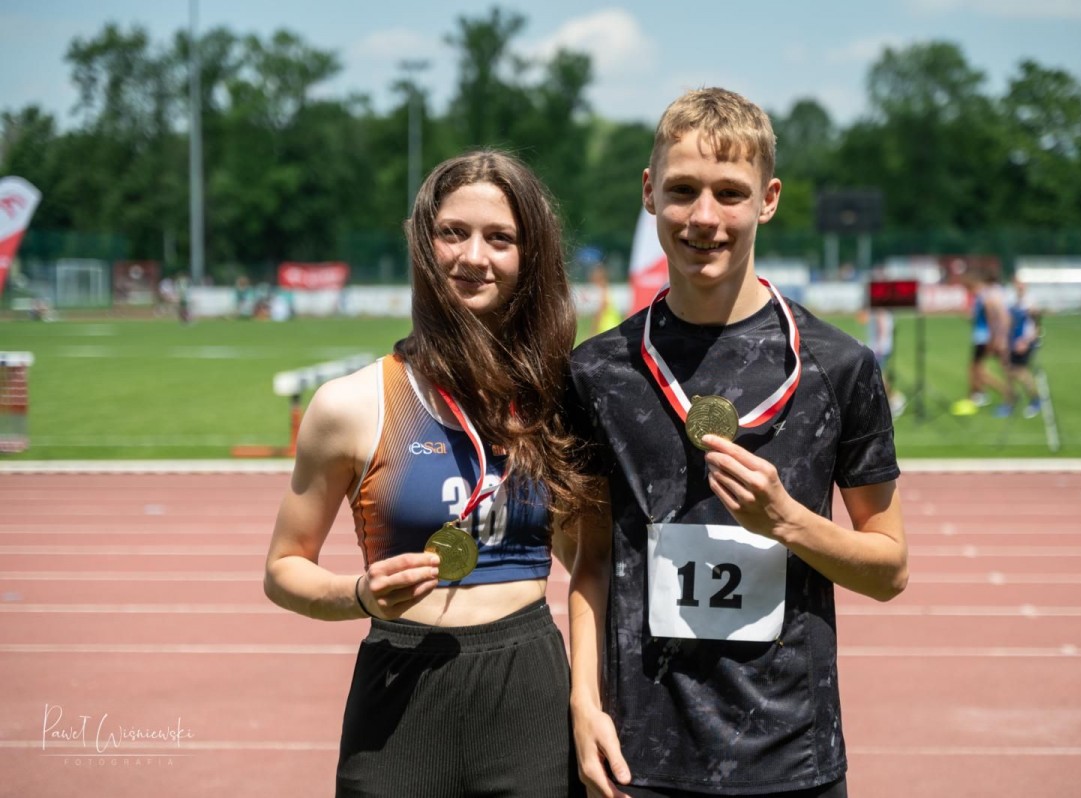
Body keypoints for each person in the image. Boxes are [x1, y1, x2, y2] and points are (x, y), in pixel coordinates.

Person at [565, 88, 908, 798]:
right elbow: (589, 563)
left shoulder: (839, 367)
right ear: (649, 192)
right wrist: (583, 701)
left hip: (792, 761)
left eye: (731, 193)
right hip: (637, 757)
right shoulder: (597, 372)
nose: (705, 218)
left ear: (769, 200)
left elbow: (889, 568)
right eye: (684, 190)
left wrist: (787, 521)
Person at [264, 150, 586, 797]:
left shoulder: (562, 400)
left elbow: (592, 565)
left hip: (528, 693)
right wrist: (357, 595)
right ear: (423, 243)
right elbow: (282, 569)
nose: (475, 256)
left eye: (501, 238)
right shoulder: (350, 404)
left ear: (531, 256)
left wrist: (593, 699)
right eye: (453, 233)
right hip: (400, 694)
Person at [952, 271, 1010, 416]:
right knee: (975, 370)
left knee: (979, 371)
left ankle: (1006, 393)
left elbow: (993, 318)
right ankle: (979, 394)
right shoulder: (981, 297)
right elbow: (979, 319)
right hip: (981, 337)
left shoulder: (985, 297)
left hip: (984, 338)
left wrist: (996, 338)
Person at [996, 279, 1042, 419]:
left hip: (1024, 342)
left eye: (1021, 284)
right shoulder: (1011, 301)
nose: (1019, 287)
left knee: (1020, 372)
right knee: (1008, 372)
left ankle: (1035, 399)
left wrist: (1026, 341)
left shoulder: (1030, 302)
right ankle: (1009, 402)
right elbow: (1008, 322)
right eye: (1016, 284)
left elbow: (1036, 325)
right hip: (1012, 341)